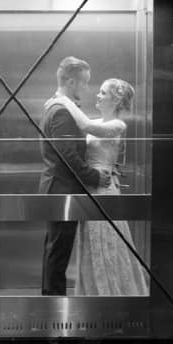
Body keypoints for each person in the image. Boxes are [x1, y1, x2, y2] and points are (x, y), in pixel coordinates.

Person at [52, 79, 148, 296]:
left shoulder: (117, 125)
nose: (97, 95)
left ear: (115, 100)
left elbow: (85, 126)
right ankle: (94, 295)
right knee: (92, 243)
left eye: (103, 93)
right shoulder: (98, 122)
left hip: (104, 190)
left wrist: (63, 99)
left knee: (108, 241)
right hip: (91, 186)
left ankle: (112, 296)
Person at [38, 57, 109, 295]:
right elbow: (67, 154)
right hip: (62, 190)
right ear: (70, 81)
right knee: (58, 254)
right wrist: (94, 176)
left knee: (55, 250)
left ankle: (50, 303)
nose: (86, 89)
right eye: (84, 83)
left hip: (59, 188)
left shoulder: (58, 107)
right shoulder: (61, 112)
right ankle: (53, 310)